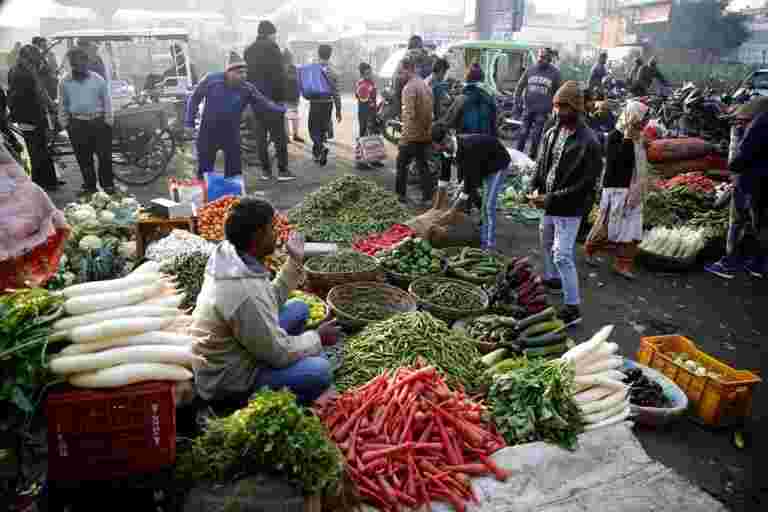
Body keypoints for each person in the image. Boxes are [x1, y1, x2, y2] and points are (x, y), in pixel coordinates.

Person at [190, 197, 341, 405]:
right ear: (258, 236)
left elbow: (269, 300)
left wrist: (294, 260)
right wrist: (318, 338)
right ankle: (259, 400)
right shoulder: (243, 292)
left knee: (299, 309)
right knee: (320, 371)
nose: (277, 234)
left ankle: (300, 356)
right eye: (272, 228)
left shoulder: (233, 256)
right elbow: (278, 353)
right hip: (230, 381)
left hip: (241, 351)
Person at [528, 81, 602, 327]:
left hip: (570, 208)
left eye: (563, 107)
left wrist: (549, 198)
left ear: (576, 108)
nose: (558, 111)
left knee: (562, 255)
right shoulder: (552, 132)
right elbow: (542, 163)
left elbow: (584, 186)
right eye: (556, 106)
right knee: (545, 239)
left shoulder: (589, 142)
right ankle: (553, 280)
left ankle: (572, 308)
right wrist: (533, 186)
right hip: (550, 203)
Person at [185, 54, 286, 180]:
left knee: (234, 173)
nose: (243, 75)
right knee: (205, 171)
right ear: (228, 72)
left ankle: (233, 190)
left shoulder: (247, 88)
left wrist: (281, 110)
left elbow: (263, 103)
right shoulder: (211, 80)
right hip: (208, 133)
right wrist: (189, 123)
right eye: (239, 72)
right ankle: (204, 189)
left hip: (231, 134)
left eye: (245, 72)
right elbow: (194, 98)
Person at [584, 100, 650, 279]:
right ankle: (590, 249)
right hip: (616, 188)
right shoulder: (614, 136)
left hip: (634, 189)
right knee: (608, 226)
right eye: (640, 120)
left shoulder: (639, 138)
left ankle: (622, 265)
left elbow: (640, 163)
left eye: (644, 121)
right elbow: (618, 162)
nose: (643, 124)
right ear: (631, 117)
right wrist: (628, 138)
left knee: (632, 228)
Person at [705, 97, 768, 279]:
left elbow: (744, 154)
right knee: (760, 224)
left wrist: (733, 167)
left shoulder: (761, 122)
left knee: (739, 220)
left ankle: (729, 263)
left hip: (752, 181)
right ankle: (758, 264)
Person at [433, 123, 511, 249]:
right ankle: (484, 233)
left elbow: (469, 185)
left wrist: (452, 211)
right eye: (440, 147)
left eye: (444, 144)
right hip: (480, 165)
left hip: (497, 164)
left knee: (488, 206)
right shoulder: (444, 150)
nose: (444, 148)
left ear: (449, 135)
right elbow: (444, 177)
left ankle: (488, 246)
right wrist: (435, 209)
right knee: (476, 201)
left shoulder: (467, 148)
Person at [58, 47, 115, 196]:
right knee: (84, 159)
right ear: (71, 65)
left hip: (98, 122)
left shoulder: (98, 79)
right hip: (77, 124)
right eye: (75, 65)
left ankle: (107, 185)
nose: (79, 68)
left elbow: (107, 101)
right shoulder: (64, 82)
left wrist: (108, 121)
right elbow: (62, 104)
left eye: (82, 64)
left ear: (86, 63)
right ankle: (90, 186)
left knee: (104, 157)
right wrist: (66, 124)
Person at [244, 21, 293, 181]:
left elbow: (247, 77)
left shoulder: (248, 50)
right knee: (279, 136)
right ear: (269, 33)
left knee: (260, 137)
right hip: (272, 99)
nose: (275, 37)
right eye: (274, 34)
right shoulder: (273, 48)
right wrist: (281, 99)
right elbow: (279, 76)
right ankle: (283, 171)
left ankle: (265, 172)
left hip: (256, 101)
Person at [7, 44, 58, 190]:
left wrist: (49, 106)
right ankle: (41, 182)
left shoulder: (24, 70)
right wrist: (50, 106)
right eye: (32, 60)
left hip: (31, 115)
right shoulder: (21, 73)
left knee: (41, 148)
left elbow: (40, 91)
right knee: (36, 150)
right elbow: (38, 92)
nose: (35, 63)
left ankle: (49, 180)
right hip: (29, 116)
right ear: (24, 58)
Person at [395, 56, 434, 206]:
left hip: (411, 135)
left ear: (408, 70)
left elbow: (409, 114)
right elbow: (430, 112)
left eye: (401, 72)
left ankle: (401, 196)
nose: (400, 75)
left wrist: (404, 136)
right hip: (425, 133)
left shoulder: (409, 88)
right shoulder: (426, 86)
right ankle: (428, 198)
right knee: (423, 165)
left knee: (401, 164)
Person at [514, 47, 561, 158]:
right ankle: (517, 156)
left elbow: (559, 92)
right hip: (528, 108)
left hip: (543, 111)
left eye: (543, 57)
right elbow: (520, 86)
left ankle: (531, 158)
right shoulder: (530, 69)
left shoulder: (555, 73)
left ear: (549, 59)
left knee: (536, 136)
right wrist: (517, 100)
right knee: (522, 134)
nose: (540, 59)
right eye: (539, 57)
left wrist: (555, 109)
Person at [307, 44, 342, 167]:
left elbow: (307, 86)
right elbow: (336, 92)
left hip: (315, 103)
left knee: (313, 128)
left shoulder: (312, 68)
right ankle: (317, 155)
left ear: (318, 53)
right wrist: (338, 110)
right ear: (330, 55)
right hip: (328, 103)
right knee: (322, 129)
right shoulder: (334, 71)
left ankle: (321, 148)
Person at [441, 63, 497, 137]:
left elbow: (448, 122)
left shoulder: (461, 98)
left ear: (467, 80)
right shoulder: (490, 98)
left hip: (466, 140)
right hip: (487, 139)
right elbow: (494, 123)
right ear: (482, 79)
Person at [282, 49, 304, 144]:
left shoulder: (280, 69)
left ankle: (287, 136)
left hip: (285, 96)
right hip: (292, 96)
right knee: (293, 116)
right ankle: (295, 135)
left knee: (286, 117)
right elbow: (297, 82)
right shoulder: (293, 68)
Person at [32, 37, 58, 101]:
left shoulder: (51, 54)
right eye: (43, 45)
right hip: (44, 81)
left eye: (45, 45)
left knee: (53, 97)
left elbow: (54, 65)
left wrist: (55, 72)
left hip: (51, 80)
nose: (45, 46)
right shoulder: (38, 55)